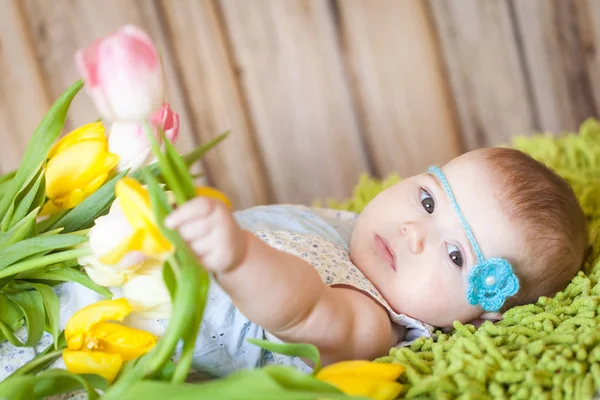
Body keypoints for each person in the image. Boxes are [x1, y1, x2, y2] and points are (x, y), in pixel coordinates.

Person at [0, 147, 588, 380]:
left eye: (457, 255)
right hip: (80, 277)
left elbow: (303, 307)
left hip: (88, 344)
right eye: (429, 200)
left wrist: (236, 254)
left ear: (479, 318)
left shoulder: (369, 319)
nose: (414, 232)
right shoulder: (347, 229)